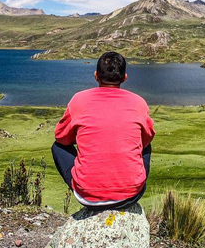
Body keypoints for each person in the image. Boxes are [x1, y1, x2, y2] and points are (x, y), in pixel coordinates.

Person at [52, 51, 155, 210]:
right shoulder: (138, 102)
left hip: (87, 197)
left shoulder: (79, 100)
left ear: (95, 75)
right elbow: (146, 139)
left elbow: (61, 138)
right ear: (125, 77)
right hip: (131, 195)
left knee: (57, 147)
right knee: (146, 146)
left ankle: (85, 182)